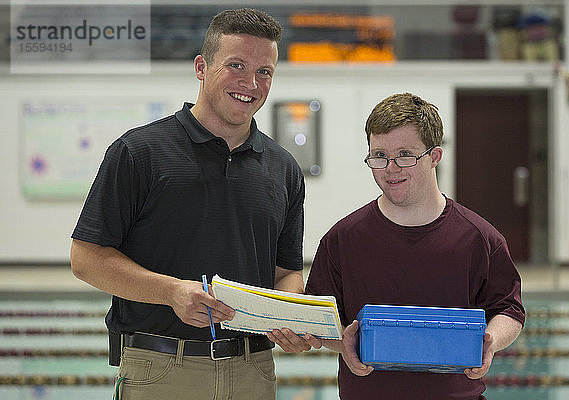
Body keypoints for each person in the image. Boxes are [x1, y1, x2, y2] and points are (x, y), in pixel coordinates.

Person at [70, 8, 305, 400]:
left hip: (254, 371)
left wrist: (288, 312)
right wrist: (171, 292)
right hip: (161, 369)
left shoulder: (283, 169)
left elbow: (286, 272)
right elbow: (85, 258)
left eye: (265, 71)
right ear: (201, 66)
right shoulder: (139, 152)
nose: (251, 83)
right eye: (236, 65)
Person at [300, 93, 526, 399]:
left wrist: (490, 339)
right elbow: (318, 318)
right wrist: (343, 343)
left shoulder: (479, 238)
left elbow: (508, 309)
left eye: (405, 154)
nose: (391, 168)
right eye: (379, 155)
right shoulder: (343, 239)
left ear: (434, 156)